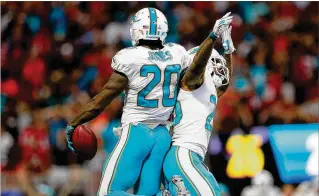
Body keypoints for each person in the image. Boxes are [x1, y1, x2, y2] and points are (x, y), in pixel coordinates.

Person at [65, 7, 233, 196]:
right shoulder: (176, 54)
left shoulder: (130, 57)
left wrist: (74, 123)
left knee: (108, 192)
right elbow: (205, 72)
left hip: (137, 132)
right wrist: (225, 48)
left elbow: (101, 100)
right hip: (162, 137)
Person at [163, 25, 235, 196]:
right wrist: (212, 37)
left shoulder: (205, 90)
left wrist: (228, 51)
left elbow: (224, 84)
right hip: (184, 155)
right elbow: (197, 66)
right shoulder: (191, 83)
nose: (219, 67)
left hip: (190, 157)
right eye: (214, 62)